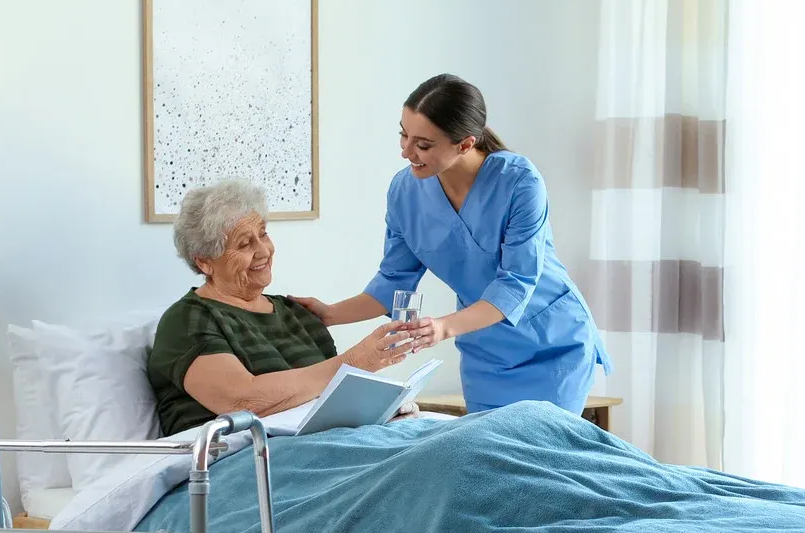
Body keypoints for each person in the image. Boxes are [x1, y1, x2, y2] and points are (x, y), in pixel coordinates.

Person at [292, 74, 610, 415]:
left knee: (542, 456)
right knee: (488, 460)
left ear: (464, 144)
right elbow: (393, 282)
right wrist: (329, 314)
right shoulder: (405, 192)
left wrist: (442, 327)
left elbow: (515, 285)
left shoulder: (519, 182)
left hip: (552, 345)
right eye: (403, 134)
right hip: (485, 352)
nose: (406, 152)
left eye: (423, 145)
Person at [147, 179, 413, 435]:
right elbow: (243, 401)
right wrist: (354, 362)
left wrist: (380, 410)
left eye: (263, 234)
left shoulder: (297, 314)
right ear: (205, 262)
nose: (263, 251)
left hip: (321, 446)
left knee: (444, 440)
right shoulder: (188, 320)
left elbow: (328, 401)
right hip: (244, 459)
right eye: (244, 243)